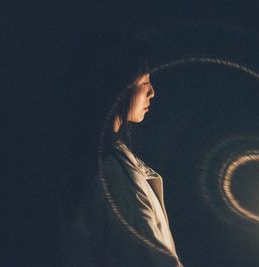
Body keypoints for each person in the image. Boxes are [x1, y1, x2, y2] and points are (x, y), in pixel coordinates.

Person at [59, 30, 183, 267]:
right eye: (144, 82)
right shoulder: (113, 175)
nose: (152, 91)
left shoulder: (97, 164)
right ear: (116, 86)